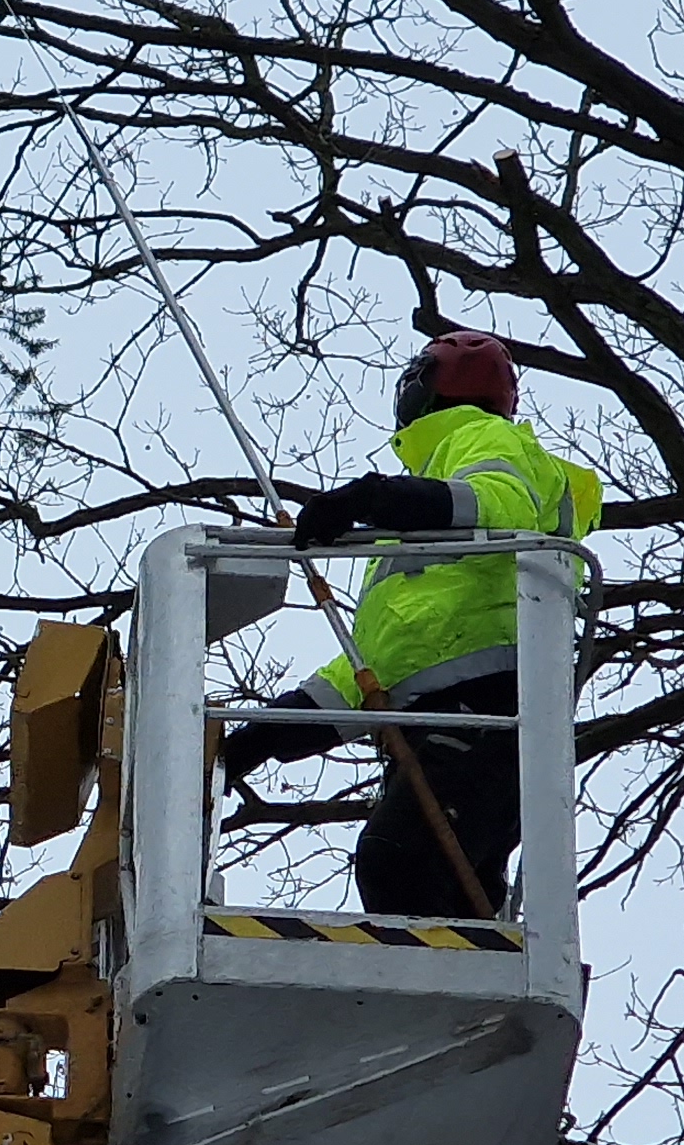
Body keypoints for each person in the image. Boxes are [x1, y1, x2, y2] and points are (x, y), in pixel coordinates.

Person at [216, 330, 601, 919]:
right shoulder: (427, 540)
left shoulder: (480, 436)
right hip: (453, 729)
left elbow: (498, 502)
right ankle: (471, 1003)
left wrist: (373, 498)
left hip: (483, 716)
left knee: (397, 861)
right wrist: (265, 736)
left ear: (433, 385)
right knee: (443, 896)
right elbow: (379, 665)